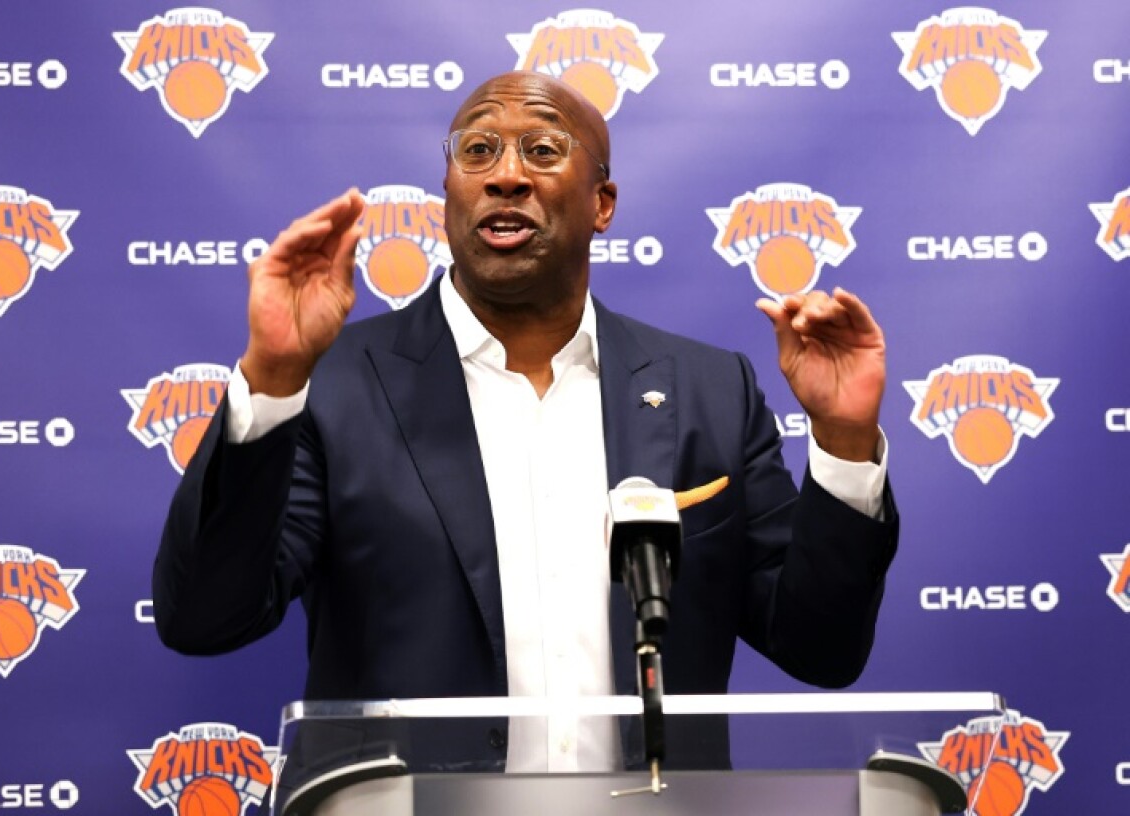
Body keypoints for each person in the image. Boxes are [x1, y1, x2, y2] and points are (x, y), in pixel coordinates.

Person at [153, 71, 897, 773]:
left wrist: (844, 443)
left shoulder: (710, 390)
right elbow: (206, 619)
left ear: (603, 204)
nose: (505, 174)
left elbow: (821, 648)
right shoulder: (337, 382)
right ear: (449, 191)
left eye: (542, 149)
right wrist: (276, 378)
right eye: (478, 150)